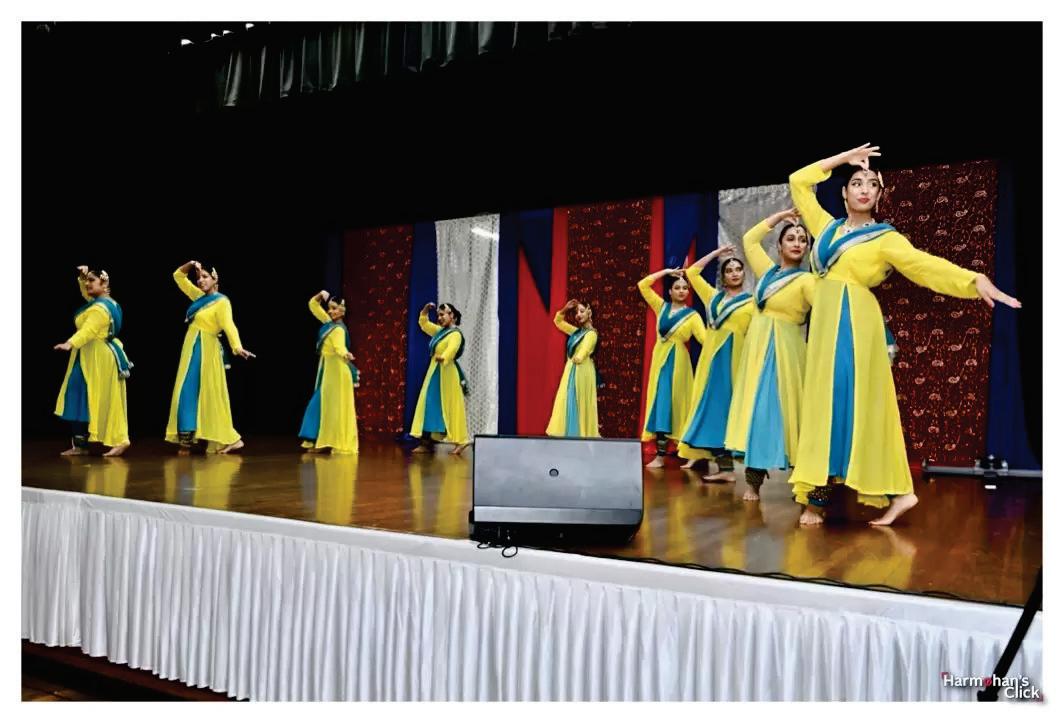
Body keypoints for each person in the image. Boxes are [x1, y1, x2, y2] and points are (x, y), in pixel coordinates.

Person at [788, 143, 1021, 525]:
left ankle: (825, 499)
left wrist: (973, 279)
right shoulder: (824, 226)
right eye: (856, 182)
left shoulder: (885, 239)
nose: (864, 189)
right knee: (825, 404)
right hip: (826, 324)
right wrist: (841, 159)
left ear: (880, 195)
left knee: (849, 404)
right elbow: (798, 181)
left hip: (854, 323)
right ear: (844, 192)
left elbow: (924, 266)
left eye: (872, 184)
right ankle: (882, 493)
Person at [724, 210, 817, 501]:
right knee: (755, 412)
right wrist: (781, 216)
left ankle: (805, 485)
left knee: (786, 411)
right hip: (757, 349)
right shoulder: (767, 272)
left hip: (786, 350)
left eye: (803, 239)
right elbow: (750, 240)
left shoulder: (807, 281)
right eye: (791, 238)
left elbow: (827, 311)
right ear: (779, 246)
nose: (797, 243)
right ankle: (753, 483)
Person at [676, 245, 754, 481]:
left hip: (735, 361)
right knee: (713, 410)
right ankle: (725, 469)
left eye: (738, 269)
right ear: (723, 277)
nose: (734, 273)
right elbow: (692, 272)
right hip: (712, 361)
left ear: (744, 273)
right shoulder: (713, 297)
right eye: (729, 270)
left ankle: (736, 470)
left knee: (731, 410)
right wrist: (717, 253)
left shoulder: (752, 302)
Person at [165, 260, 255, 454]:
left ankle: (231, 438)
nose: (201, 281)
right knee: (186, 390)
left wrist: (237, 347)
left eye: (205, 277)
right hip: (191, 347)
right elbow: (178, 277)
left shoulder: (222, 302)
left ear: (215, 279)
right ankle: (188, 436)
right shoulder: (199, 297)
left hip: (207, 349)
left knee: (209, 393)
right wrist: (191, 265)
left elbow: (229, 325)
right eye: (199, 278)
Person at [53, 265, 132, 456]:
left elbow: (88, 331)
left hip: (99, 357)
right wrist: (82, 277)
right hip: (88, 356)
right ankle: (80, 444)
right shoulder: (102, 303)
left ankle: (121, 440)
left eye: (91, 280)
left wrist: (70, 343)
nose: (87, 284)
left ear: (103, 284)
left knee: (106, 398)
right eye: (87, 281)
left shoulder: (100, 309)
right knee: (77, 393)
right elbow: (87, 295)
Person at [638, 268, 705, 468]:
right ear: (670, 291)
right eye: (677, 287)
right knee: (661, 406)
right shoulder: (661, 307)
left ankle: (692, 452)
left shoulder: (692, 316)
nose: (682, 291)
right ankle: (660, 456)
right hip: (660, 362)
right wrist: (666, 271)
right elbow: (643, 285)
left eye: (685, 288)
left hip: (679, 365)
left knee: (680, 405)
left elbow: (705, 340)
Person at [298, 290, 360, 454]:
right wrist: (320, 295)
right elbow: (313, 305)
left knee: (332, 407)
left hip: (338, 372)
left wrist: (346, 354)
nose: (330, 311)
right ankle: (317, 439)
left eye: (334, 308)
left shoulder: (338, 329)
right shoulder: (328, 323)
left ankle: (328, 441)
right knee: (321, 404)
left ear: (342, 311)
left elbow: (339, 347)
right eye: (329, 308)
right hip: (328, 369)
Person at [409, 302, 471, 455]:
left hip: (447, 374)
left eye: (443, 315)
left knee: (451, 406)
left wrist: (444, 357)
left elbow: (452, 349)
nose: (440, 318)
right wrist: (424, 311)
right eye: (438, 315)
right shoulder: (440, 332)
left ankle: (461, 441)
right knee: (429, 406)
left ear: (452, 316)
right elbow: (424, 324)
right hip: (435, 373)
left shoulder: (455, 334)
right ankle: (426, 443)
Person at [546, 299, 601, 437]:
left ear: (589, 312)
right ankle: (569, 434)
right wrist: (565, 309)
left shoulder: (592, 334)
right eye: (576, 312)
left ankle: (581, 434)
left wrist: (579, 357)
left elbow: (586, 349)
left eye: (581, 311)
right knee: (568, 399)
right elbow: (558, 322)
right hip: (572, 369)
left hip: (582, 370)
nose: (578, 315)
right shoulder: (577, 332)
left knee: (579, 400)